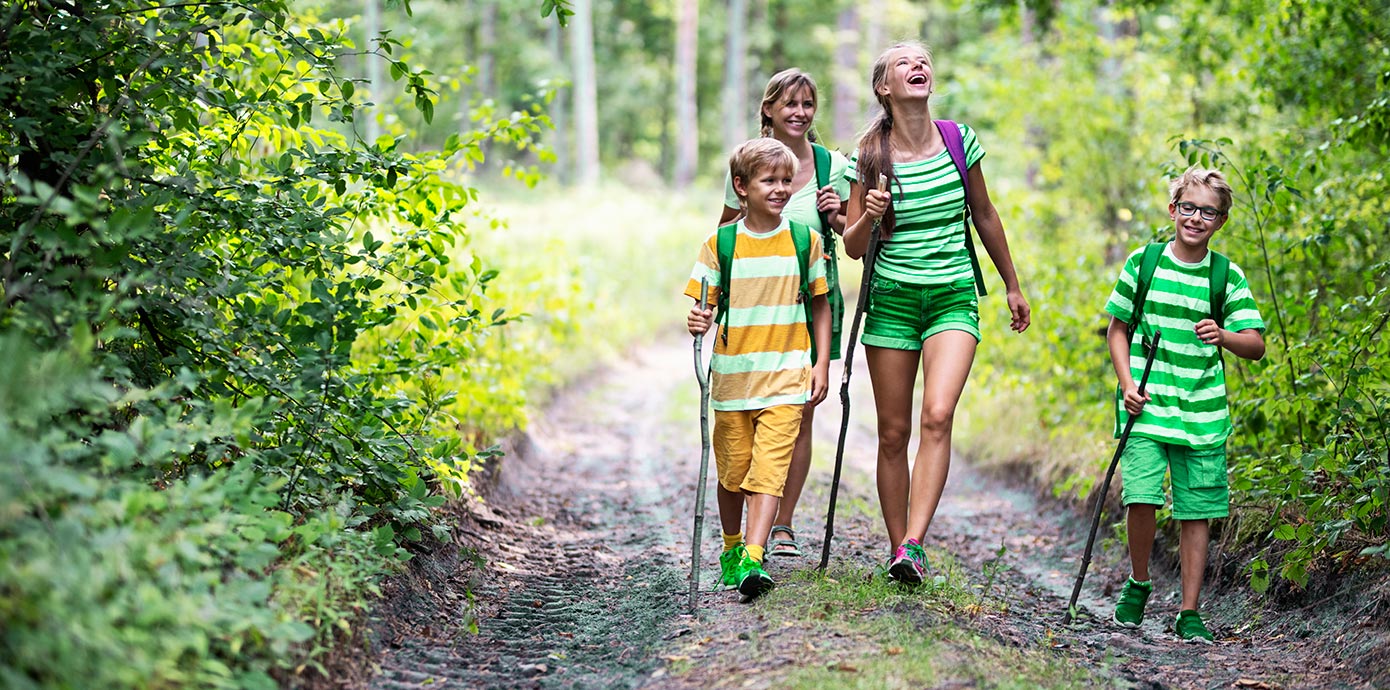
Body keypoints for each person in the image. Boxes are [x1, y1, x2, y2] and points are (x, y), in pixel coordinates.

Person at [841, 42, 1031, 584]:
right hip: (892, 304)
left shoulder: (957, 139)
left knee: (938, 415)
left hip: (952, 297)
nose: (917, 66)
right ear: (884, 86)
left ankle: (915, 544)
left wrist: (1011, 285)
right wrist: (870, 217)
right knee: (894, 432)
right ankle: (896, 547)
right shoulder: (869, 155)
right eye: (903, 63)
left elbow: (985, 214)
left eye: (923, 60)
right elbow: (854, 246)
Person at [1104, 167, 1266, 643]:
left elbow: (1255, 345)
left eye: (1208, 212)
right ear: (1173, 210)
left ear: (1220, 221)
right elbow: (1117, 329)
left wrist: (1224, 335)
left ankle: (1189, 610)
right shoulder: (1144, 262)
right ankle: (1139, 581)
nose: (1196, 218)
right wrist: (1128, 383)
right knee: (1141, 495)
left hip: (1202, 412)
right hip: (1146, 404)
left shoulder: (1225, 275)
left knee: (1197, 510)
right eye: (1189, 208)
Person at [686, 137, 832, 599]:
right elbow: (702, 308)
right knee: (732, 475)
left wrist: (820, 363)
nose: (780, 189)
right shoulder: (720, 243)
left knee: (769, 470)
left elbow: (821, 306)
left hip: (787, 377)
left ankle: (753, 555)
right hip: (732, 381)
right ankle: (732, 546)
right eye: (769, 180)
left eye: (786, 181)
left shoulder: (803, 240)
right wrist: (698, 320)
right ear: (741, 186)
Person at [716, 69, 851, 559]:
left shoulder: (831, 162)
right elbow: (726, 234)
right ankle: (754, 518)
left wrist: (837, 211)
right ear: (769, 108)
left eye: (808, 104)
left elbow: (849, 233)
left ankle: (783, 524)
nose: (799, 112)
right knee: (751, 416)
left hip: (809, 300)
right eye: (789, 103)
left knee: (800, 414)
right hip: (755, 307)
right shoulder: (749, 161)